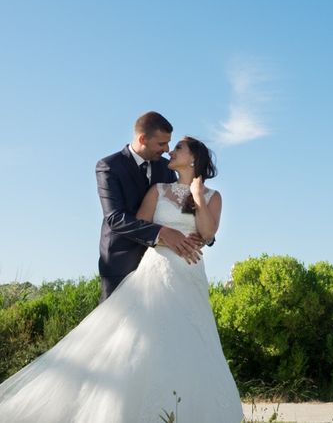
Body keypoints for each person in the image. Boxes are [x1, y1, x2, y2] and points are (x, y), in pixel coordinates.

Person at [0, 136, 244, 422]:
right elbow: (140, 225)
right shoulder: (158, 189)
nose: (170, 150)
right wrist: (167, 239)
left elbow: (208, 233)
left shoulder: (213, 196)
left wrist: (198, 195)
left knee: (192, 339)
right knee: (145, 340)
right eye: (170, 145)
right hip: (158, 270)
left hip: (190, 276)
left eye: (178, 147)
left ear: (193, 159)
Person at [95, 111, 202, 301]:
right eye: (161, 144)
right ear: (143, 138)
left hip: (162, 265)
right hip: (121, 262)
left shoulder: (166, 168)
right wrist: (161, 232)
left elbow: (180, 203)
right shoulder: (109, 166)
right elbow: (115, 218)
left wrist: (201, 234)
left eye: (169, 143)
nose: (167, 149)